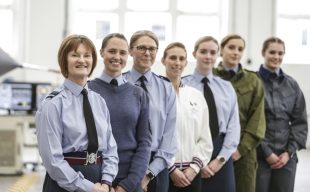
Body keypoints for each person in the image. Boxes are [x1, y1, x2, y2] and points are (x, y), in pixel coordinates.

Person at [35, 34, 118, 192]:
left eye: (87, 55)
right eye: (75, 55)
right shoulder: (52, 104)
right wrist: (88, 188)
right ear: (64, 60)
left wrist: (107, 181)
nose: (82, 60)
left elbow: (110, 148)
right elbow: (52, 160)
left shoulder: (99, 102)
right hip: (65, 183)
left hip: (99, 180)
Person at [88, 33, 152, 192]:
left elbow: (144, 142)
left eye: (122, 52)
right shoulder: (87, 90)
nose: (117, 57)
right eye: (112, 51)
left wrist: (128, 184)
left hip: (129, 180)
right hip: (95, 181)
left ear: (129, 54)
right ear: (102, 52)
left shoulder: (138, 94)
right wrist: (100, 184)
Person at [182, 36, 240, 192]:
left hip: (221, 153)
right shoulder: (182, 85)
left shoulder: (227, 87)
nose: (208, 56)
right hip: (190, 152)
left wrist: (219, 161)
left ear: (217, 55)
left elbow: (233, 127)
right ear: (194, 54)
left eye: (213, 52)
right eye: (203, 51)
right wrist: (198, 163)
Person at [123, 30, 177, 192]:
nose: (147, 53)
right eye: (142, 48)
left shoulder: (166, 88)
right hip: (124, 163)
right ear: (131, 51)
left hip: (157, 167)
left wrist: (148, 174)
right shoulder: (118, 84)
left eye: (152, 49)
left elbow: (170, 136)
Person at [213, 34, 266, 192]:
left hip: (244, 152)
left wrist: (240, 150)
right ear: (221, 50)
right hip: (214, 150)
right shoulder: (210, 77)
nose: (236, 52)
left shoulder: (253, 80)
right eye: (231, 47)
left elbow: (258, 120)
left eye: (240, 49)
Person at [256, 37, 308, 192]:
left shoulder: (292, 85)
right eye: (272, 52)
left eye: (280, 53)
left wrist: (289, 152)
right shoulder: (253, 82)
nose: (276, 57)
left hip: (286, 158)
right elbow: (247, 123)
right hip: (259, 156)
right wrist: (266, 152)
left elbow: (300, 122)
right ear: (263, 52)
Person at [161, 42, 213, 192]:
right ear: (164, 61)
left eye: (181, 59)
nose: (177, 63)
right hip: (164, 172)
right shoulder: (156, 94)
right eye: (172, 58)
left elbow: (205, 137)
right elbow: (153, 137)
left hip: (192, 175)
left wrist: (194, 168)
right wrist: (171, 169)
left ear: (186, 62)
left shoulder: (196, 96)